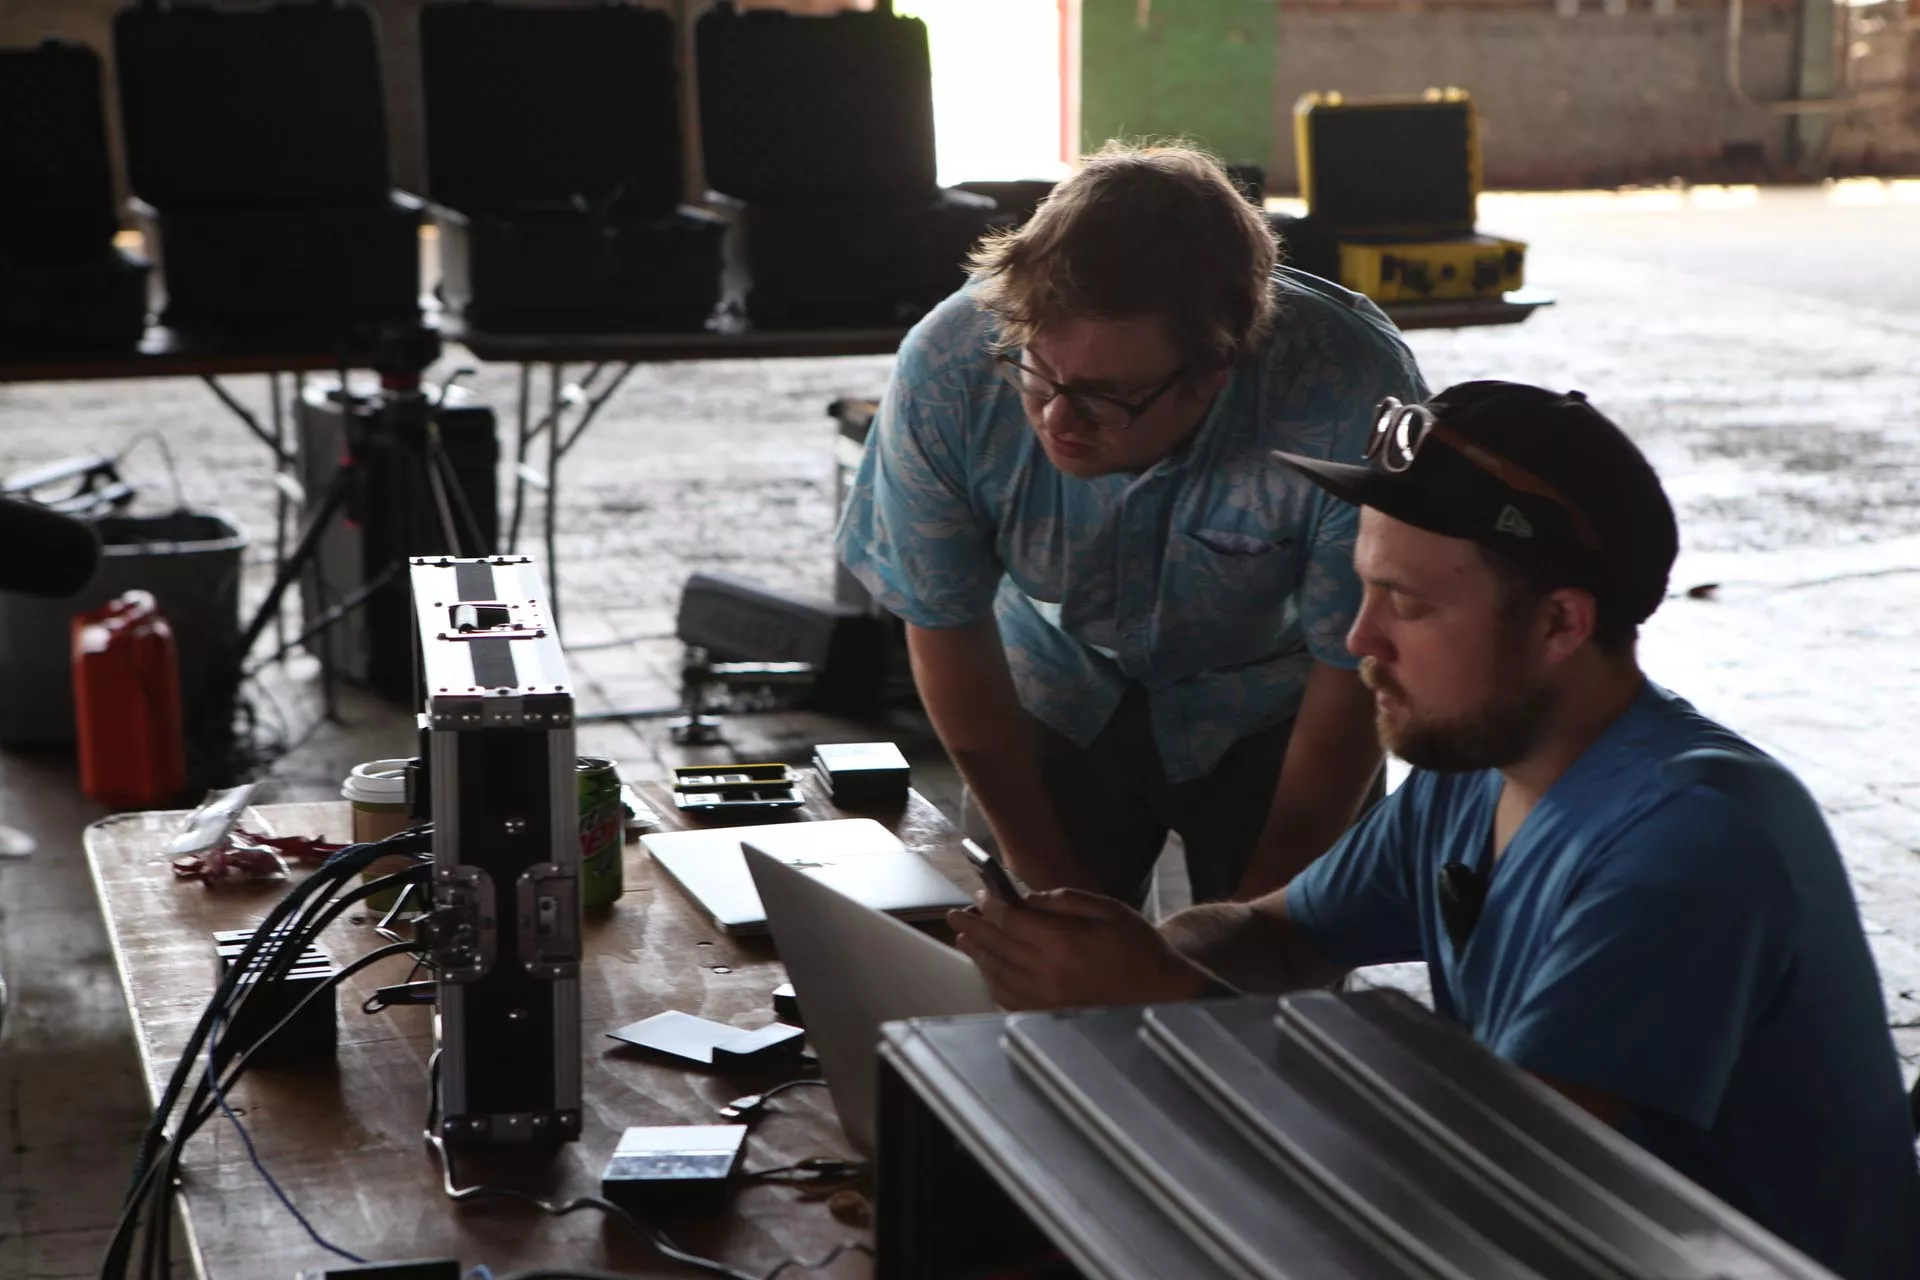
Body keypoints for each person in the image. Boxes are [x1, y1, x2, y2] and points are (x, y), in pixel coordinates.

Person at [948, 381, 1920, 1280]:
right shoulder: (1475, 767)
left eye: (1405, 602)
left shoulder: (1689, 844)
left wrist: (1161, 995)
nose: (1359, 638)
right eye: (1364, 587)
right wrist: (1139, 951)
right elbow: (1279, 931)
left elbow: (1493, 1177)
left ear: (1559, 624)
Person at [835, 143, 1424, 904]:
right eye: (1038, 373)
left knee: (1269, 995)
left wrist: (1260, 926)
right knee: (1040, 980)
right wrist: (1056, 897)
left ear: (1215, 370)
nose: (1058, 419)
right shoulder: (952, 369)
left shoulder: (1348, 393)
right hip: (1054, 680)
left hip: (1275, 702)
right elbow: (947, 629)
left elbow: (1357, 664)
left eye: (1109, 395)